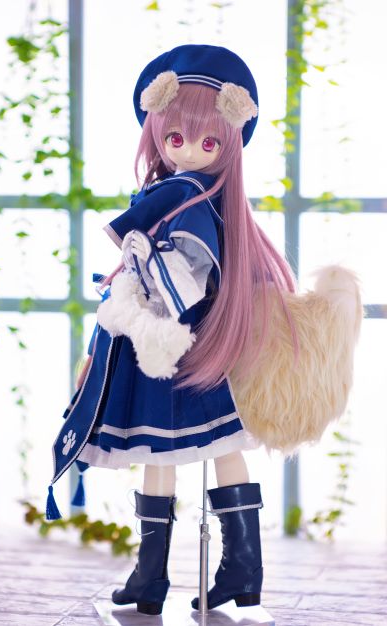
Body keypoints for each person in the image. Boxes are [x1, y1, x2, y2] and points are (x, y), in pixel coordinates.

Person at [47, 44, 299, 616]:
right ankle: (221, 569)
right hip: (181, 345)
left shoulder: (183, 194)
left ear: (229, 142)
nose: (187, 151)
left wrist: (143, 263)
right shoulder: (197, 193)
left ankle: (164, 575)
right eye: (176, 137)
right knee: (203, 446)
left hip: (170, 343)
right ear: (157, 131)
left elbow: (186, 281)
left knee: (175, 449)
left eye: (208, 143)